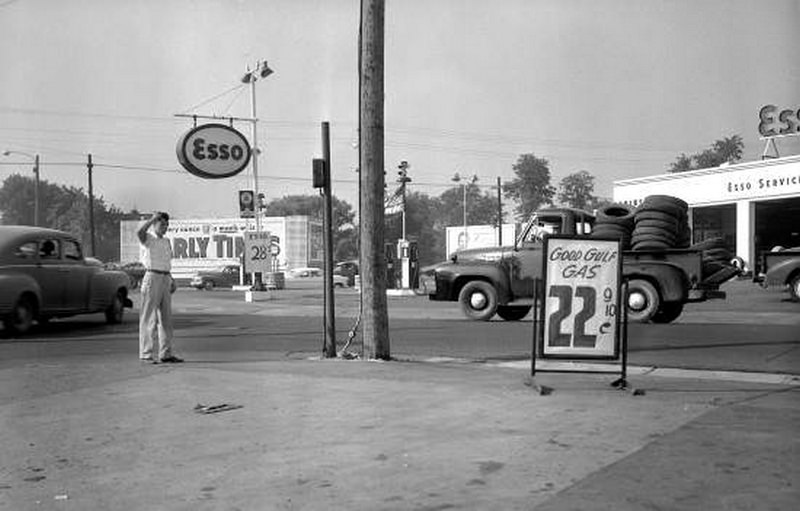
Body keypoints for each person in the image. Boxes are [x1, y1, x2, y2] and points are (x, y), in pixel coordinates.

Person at [137, 211, 183, 364]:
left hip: (165, 277)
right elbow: (139, 231)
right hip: (152, 277)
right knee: (149, 318)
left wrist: (171, 279)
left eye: (166, 224)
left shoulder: (166, 242)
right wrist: (152, 219)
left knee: (166, 319)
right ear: (155, 224)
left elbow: (166, 262)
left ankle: (166, 353)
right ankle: (146, 353)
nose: (165, 227)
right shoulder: (148, 238)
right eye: (161, 224)